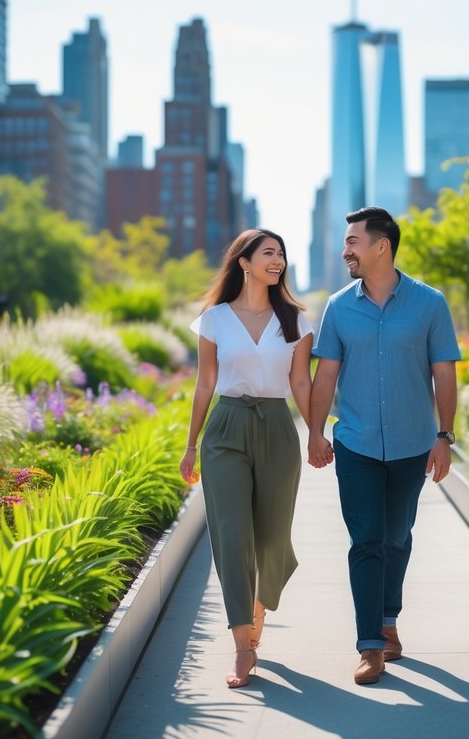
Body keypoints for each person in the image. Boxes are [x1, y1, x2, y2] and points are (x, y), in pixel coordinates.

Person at [307, 206, 460, 685]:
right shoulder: (338, 306)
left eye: (353, 241)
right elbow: (325, 373)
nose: (345, 250)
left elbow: (444, 372)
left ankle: (388, 618)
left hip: (415, 443)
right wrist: (314, 431)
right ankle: (370, 644)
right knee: (366, 540)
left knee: (397, 536)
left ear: (382, 246)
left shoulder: (430, 303)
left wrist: (444, 436)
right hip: (355, 443)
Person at [180, 228, 315, 689]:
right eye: (268, 253)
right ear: (244, 262)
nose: (277, 260)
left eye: (281, 254)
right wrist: (191, 443)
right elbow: (204, 384)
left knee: (273, 538)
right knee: (232, 536)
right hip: (226, 429)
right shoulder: (215, 319)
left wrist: (317, 431)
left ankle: (259, 603)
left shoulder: (296, 319)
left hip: (278, 427)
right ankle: (242, 646)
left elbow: (301, 383)